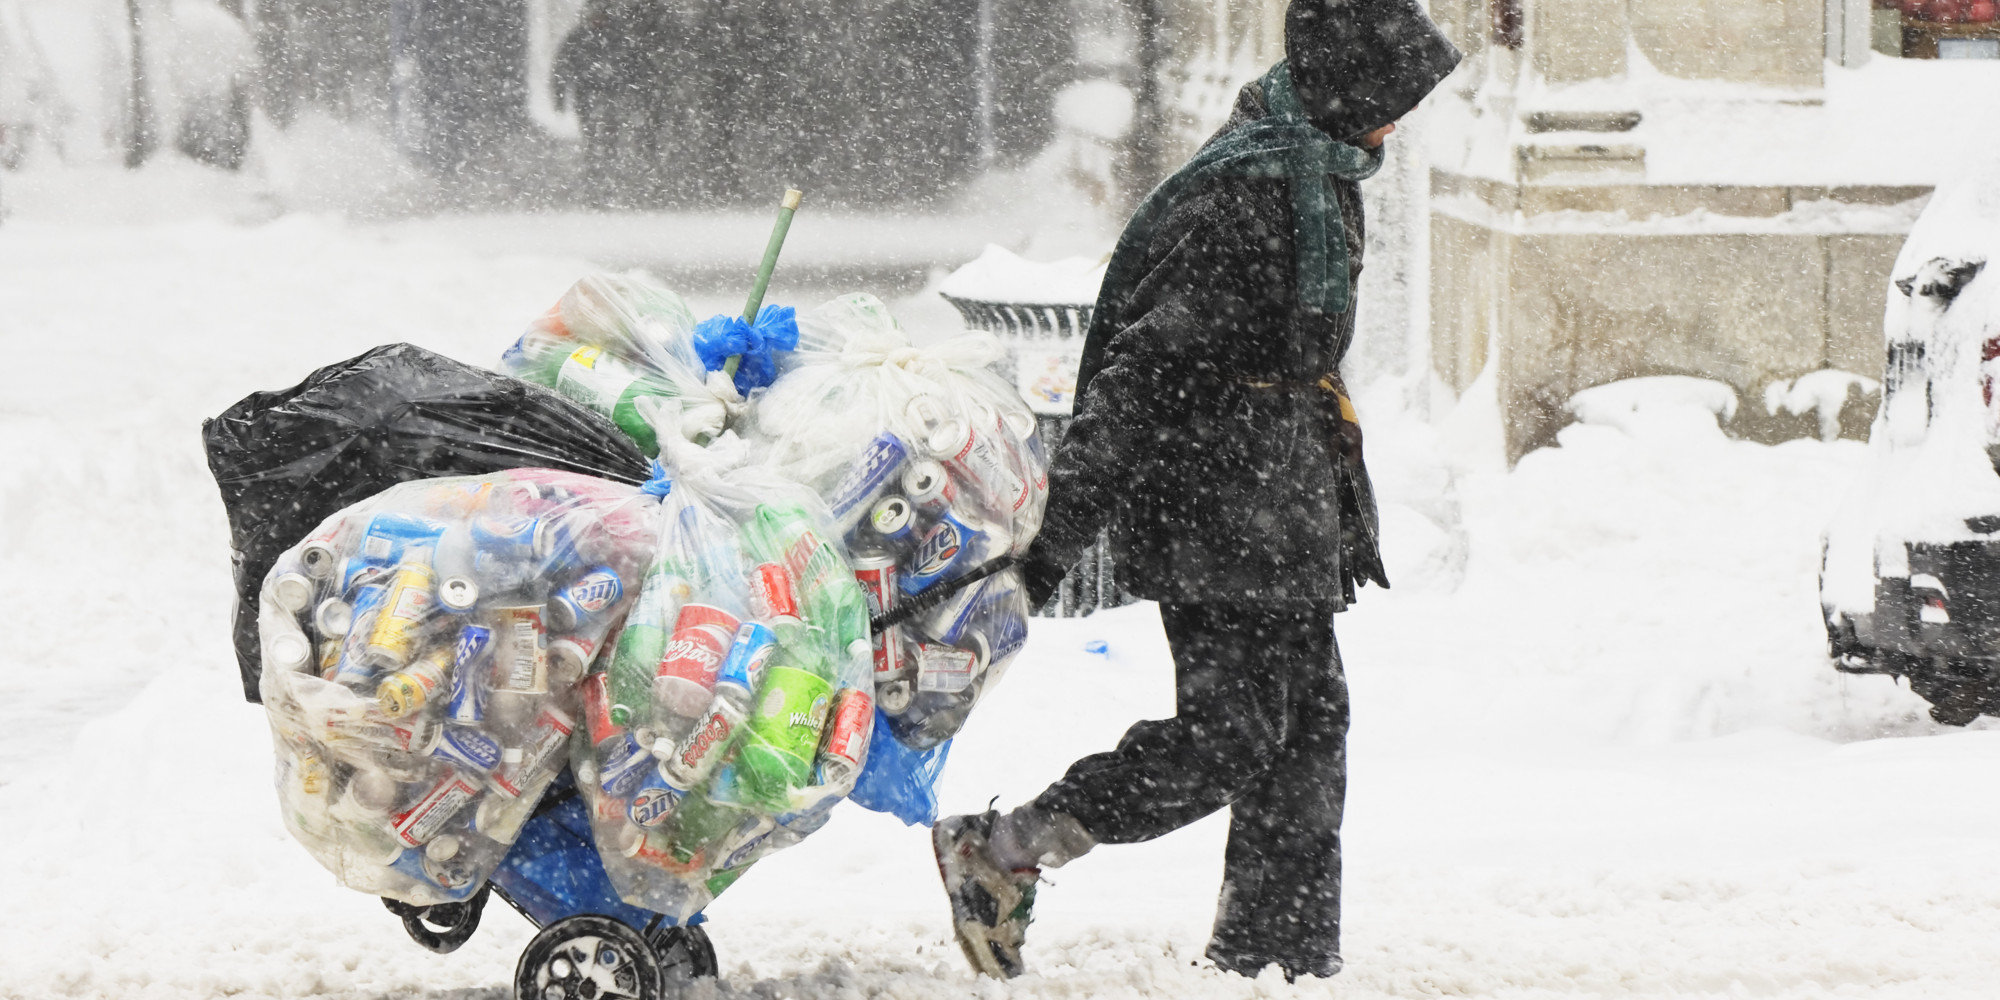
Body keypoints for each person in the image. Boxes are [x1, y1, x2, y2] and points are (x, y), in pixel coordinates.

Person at [930, 0, 1459, 982]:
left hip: (1277, 505)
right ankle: (1002, 851)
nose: (1394, 124)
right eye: (1388, 100)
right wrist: (1049, 546)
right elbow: (1138, 381)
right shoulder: (1246, 193)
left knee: (1306, 730)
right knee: (1231, 738)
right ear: (1347, 84)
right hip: (1220, 514)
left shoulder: (1316, 167)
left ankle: (1275, 947)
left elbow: (1286, 366)